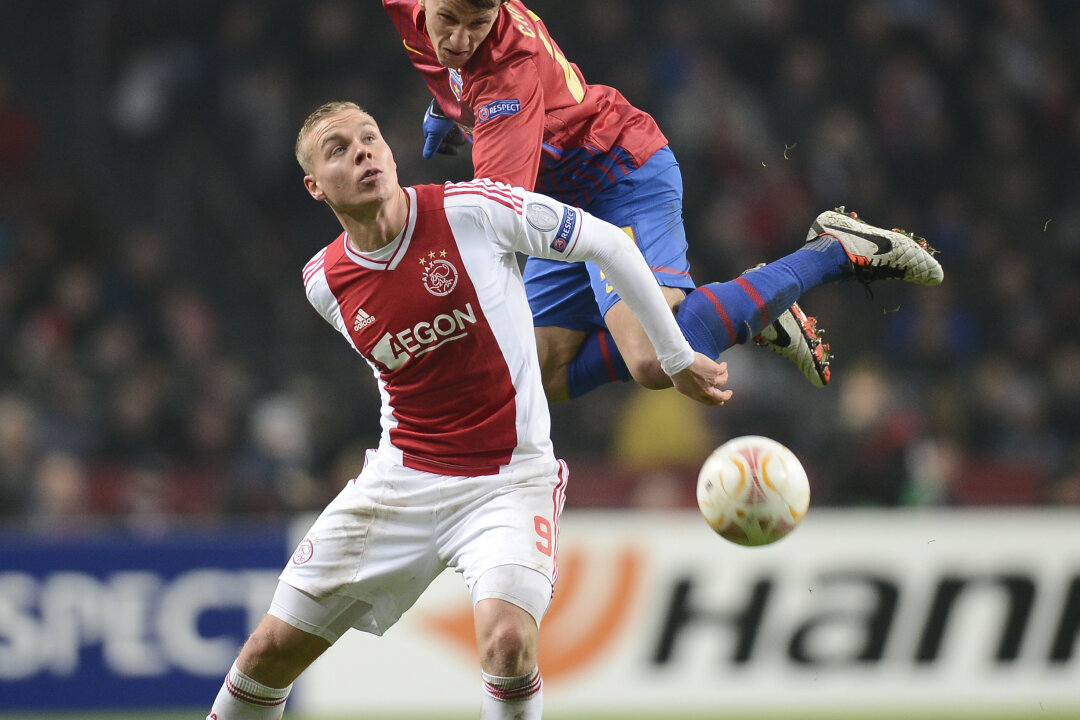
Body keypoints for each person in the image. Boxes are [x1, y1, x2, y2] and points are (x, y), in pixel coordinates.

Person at [205, 100, 731, 720]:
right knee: (266, 653)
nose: (363, 152)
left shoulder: (473, 210)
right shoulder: (324, 282)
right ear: (315, 186)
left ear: (390, 151)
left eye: (370, 137)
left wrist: (675, 357)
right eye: (339, 149)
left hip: (509, 480)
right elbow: (402, 378)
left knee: (508, 644)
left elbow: (609, 244)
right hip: (402, 480)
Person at [383, 0, 941, 401]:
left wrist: (415, 288)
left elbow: (495, 219)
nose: (460, 40)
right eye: (448, 19)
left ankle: (834, 250)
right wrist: (445, 108)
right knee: (540, 373)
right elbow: (456, 74)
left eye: (478, 24)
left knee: (654, 360)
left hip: (617, 177)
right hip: (560, 201)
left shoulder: (509, 73)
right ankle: (744, 310)